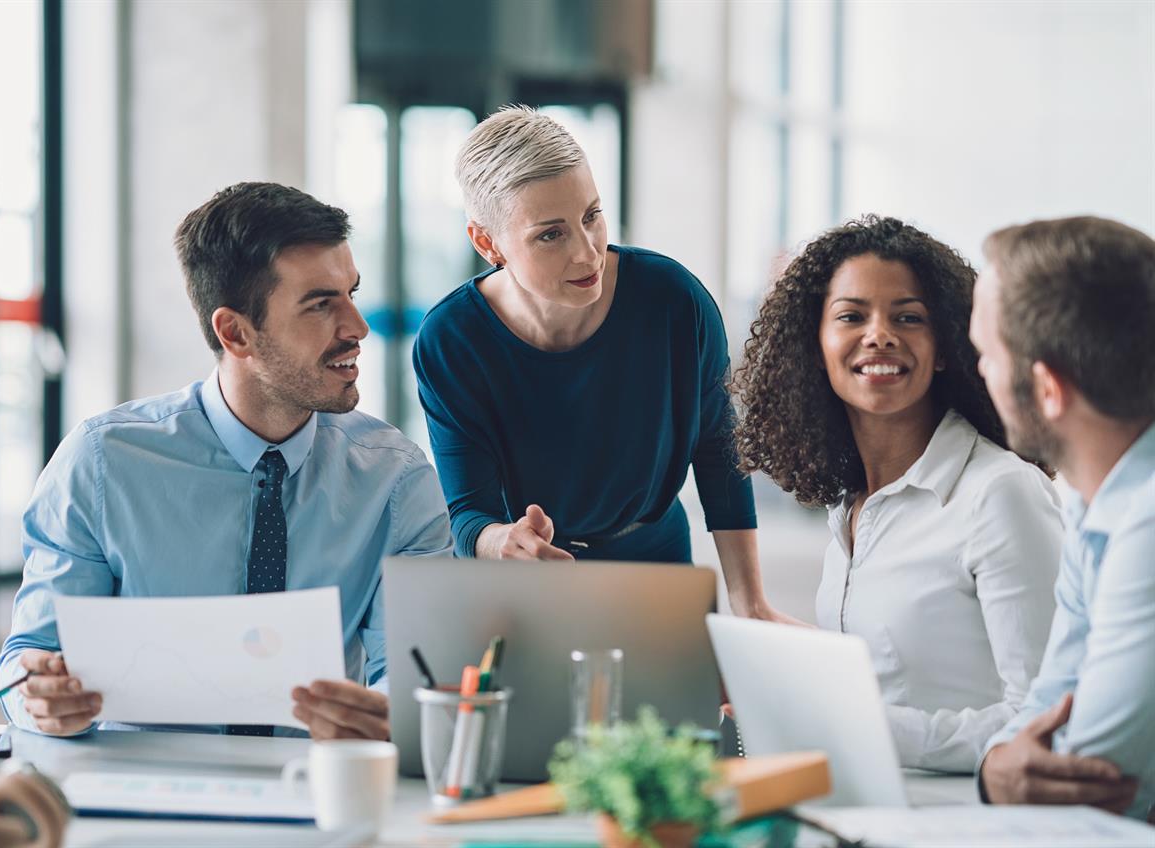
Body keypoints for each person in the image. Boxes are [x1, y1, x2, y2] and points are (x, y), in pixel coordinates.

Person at [0, 182, 452, 739]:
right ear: (236, 332)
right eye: (321, 304)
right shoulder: (102, 464)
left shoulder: (397, 482)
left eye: (352, 293)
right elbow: (34, 655)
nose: (357, 327)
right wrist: (37, 699)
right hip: (142, 788)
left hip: (315, 786)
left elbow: (409, 676)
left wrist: (389, 712)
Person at [412, 105, 788, 621]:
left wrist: (750, 603)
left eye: (591, 216)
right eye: (551, 234)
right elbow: (469, 514)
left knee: (672, 705)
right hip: (531, 581)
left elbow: (719, 451)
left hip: (656, 564)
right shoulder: (452, 340)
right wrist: (504, 541)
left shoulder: (673, 300)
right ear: (486, 242)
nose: (587, 253)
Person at [731, 216, 1061, 772]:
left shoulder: (1000, 494)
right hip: (862, 808)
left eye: (908, 317)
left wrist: (860, 726)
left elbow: (1044, 714)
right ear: (815, 345)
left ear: (946, 346)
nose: (879, 334)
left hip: (968, 822)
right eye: (851, 316)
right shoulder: (850, 503)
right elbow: (894, 669)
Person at [972, 216, 1155, 819]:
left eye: (986, 356)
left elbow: (1091, 772)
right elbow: (1048, 707)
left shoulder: (1147, 518)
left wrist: (1008, 772)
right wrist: (997, 767)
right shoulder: (1092, 498)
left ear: (1047, 389)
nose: (980, 375)